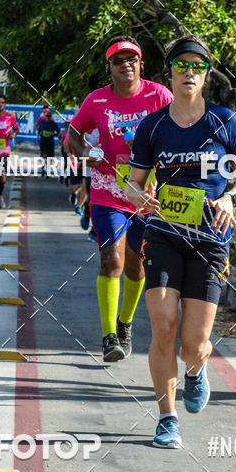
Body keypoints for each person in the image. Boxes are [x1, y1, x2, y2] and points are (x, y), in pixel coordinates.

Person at [127, 34, 236, 448]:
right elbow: (134, 183)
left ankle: (197, 372)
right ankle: (167, 419)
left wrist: (230, 199)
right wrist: (139, 195)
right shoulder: (153, 125)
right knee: (163, 326)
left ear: (207, 74)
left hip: (212, 238)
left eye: (197, 66)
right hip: (163, 233)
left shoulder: (225, 121)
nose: (189, 72)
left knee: (193, 344)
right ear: (169, 72)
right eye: (181, 65)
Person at [68, 35, 173, 362]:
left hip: (149, 194)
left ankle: (125, 324)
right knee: (112, 258)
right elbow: (72, 135)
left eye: (132, 59)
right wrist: (87, 153)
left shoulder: (159, 95)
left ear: (141, 64)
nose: (126, 65)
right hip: (107, 190)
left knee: (136, 266)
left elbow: (181, 125)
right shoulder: (96, 101)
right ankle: (109, 336)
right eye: (118, 60)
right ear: (109, 67)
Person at [36, 107, 60, 172]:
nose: (48, 117)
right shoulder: (42, 122)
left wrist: (54, 135)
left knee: (50, 156)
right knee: (43, 154)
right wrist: (39, 135)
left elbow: (58, 132)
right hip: (43, 141)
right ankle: (43, 166)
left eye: (49, 116)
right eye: (47, 116)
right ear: (45, 116)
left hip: (50, 142)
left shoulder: (54, 123)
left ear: (51, 116)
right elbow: (39, 129)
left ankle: (48, 168)